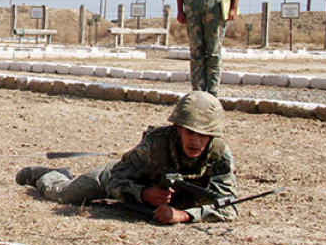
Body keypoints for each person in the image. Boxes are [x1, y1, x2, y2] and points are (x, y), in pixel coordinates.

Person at [15, 91, 237, 224]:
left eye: (203, 136)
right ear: (177, 128)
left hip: (174, 206)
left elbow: (228, 206)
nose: (196, 142)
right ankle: (49, 175)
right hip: (122, 180)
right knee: (65, 194)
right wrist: (144, 194)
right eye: (190, 133)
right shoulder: (155, 144)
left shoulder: (218, 154)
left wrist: (184, 216)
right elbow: (115, 178)